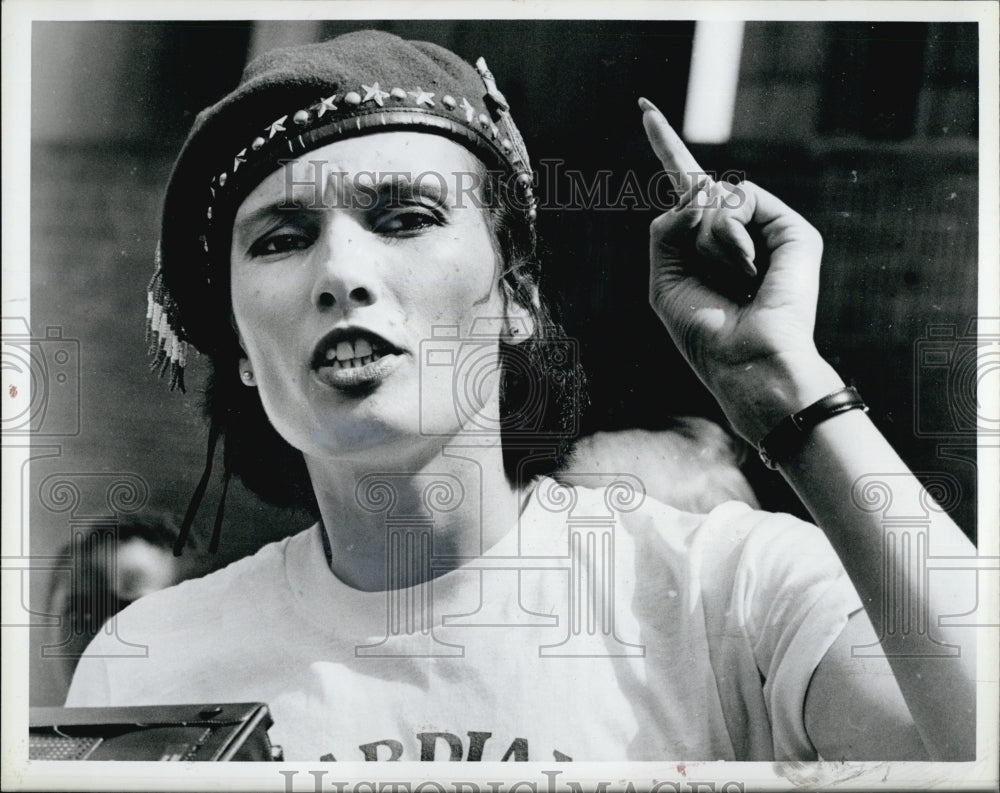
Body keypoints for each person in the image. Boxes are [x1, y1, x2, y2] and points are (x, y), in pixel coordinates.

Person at [66, 30, 975, 762]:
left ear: (516, 299)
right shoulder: (151, 666)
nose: (341, 271)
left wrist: (790, 390)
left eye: (407, 218)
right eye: (281, 238)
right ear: (242, 353)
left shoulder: (727, 590)